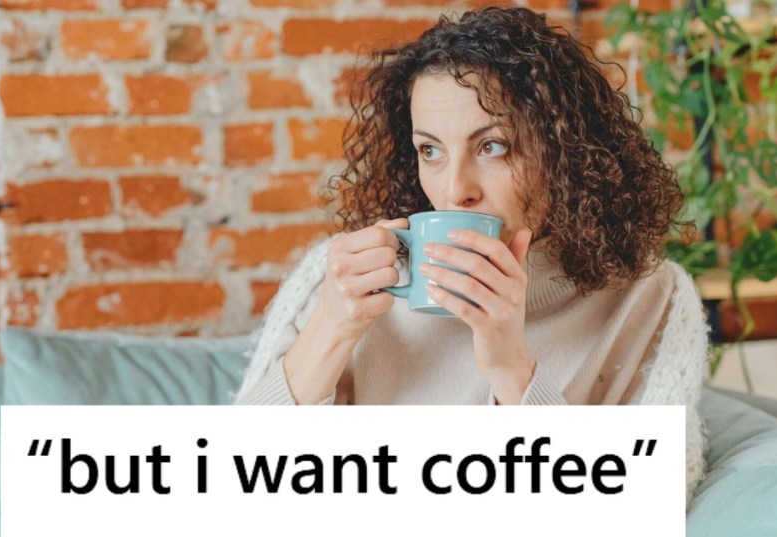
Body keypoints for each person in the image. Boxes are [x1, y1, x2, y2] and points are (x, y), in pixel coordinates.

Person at [233, 6, 709, 507]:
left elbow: (646, 505)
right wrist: (331, 328)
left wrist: (514, 371)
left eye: (493, 146)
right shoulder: (344, 277)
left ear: (564, 148)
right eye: (430, 151)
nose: (454, 189)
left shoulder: (650, 296)